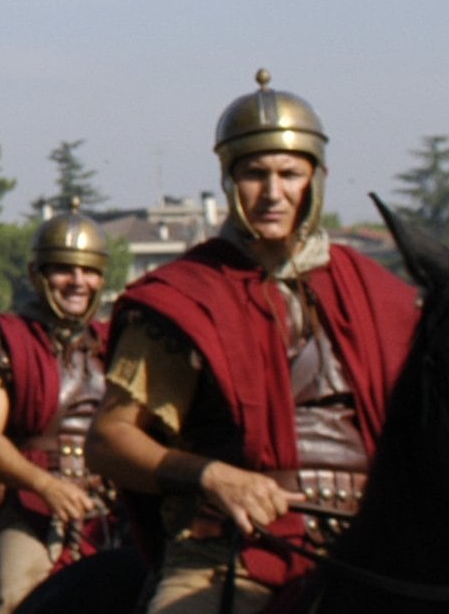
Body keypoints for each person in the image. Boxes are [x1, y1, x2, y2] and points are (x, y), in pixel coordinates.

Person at [87, 73, 420, 614]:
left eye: (289, 174)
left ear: (316, 178)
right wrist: (210, 475)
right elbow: (109, 440)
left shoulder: (384, 296)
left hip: (376, 547)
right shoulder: (183, 298)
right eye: (254, 174)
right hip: (232, 548)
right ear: (228, 179)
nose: (272, 193)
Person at [0, 206, 116, 614]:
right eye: (64, 269)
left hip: (113, 504)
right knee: (15, 598)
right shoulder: (1, 341)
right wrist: (45, 486)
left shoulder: (115, 342)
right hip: (31, 505)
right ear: (38, 275)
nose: (78, 282)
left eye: (89, 271)